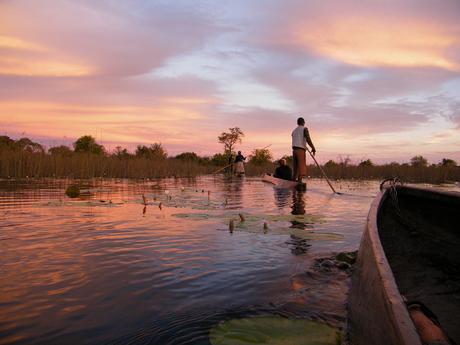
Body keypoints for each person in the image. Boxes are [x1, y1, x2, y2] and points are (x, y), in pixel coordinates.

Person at [292, 117, 316, 182]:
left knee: (295, 167)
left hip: (294, 150)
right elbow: (308, 139)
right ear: (303, 123)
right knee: (302, 166)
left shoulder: (294, 131)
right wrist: (313, 148)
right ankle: (299, 181)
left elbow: (297, 139)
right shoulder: (304, 129)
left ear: (297, 123)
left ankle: (293, 180)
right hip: (300, 150)